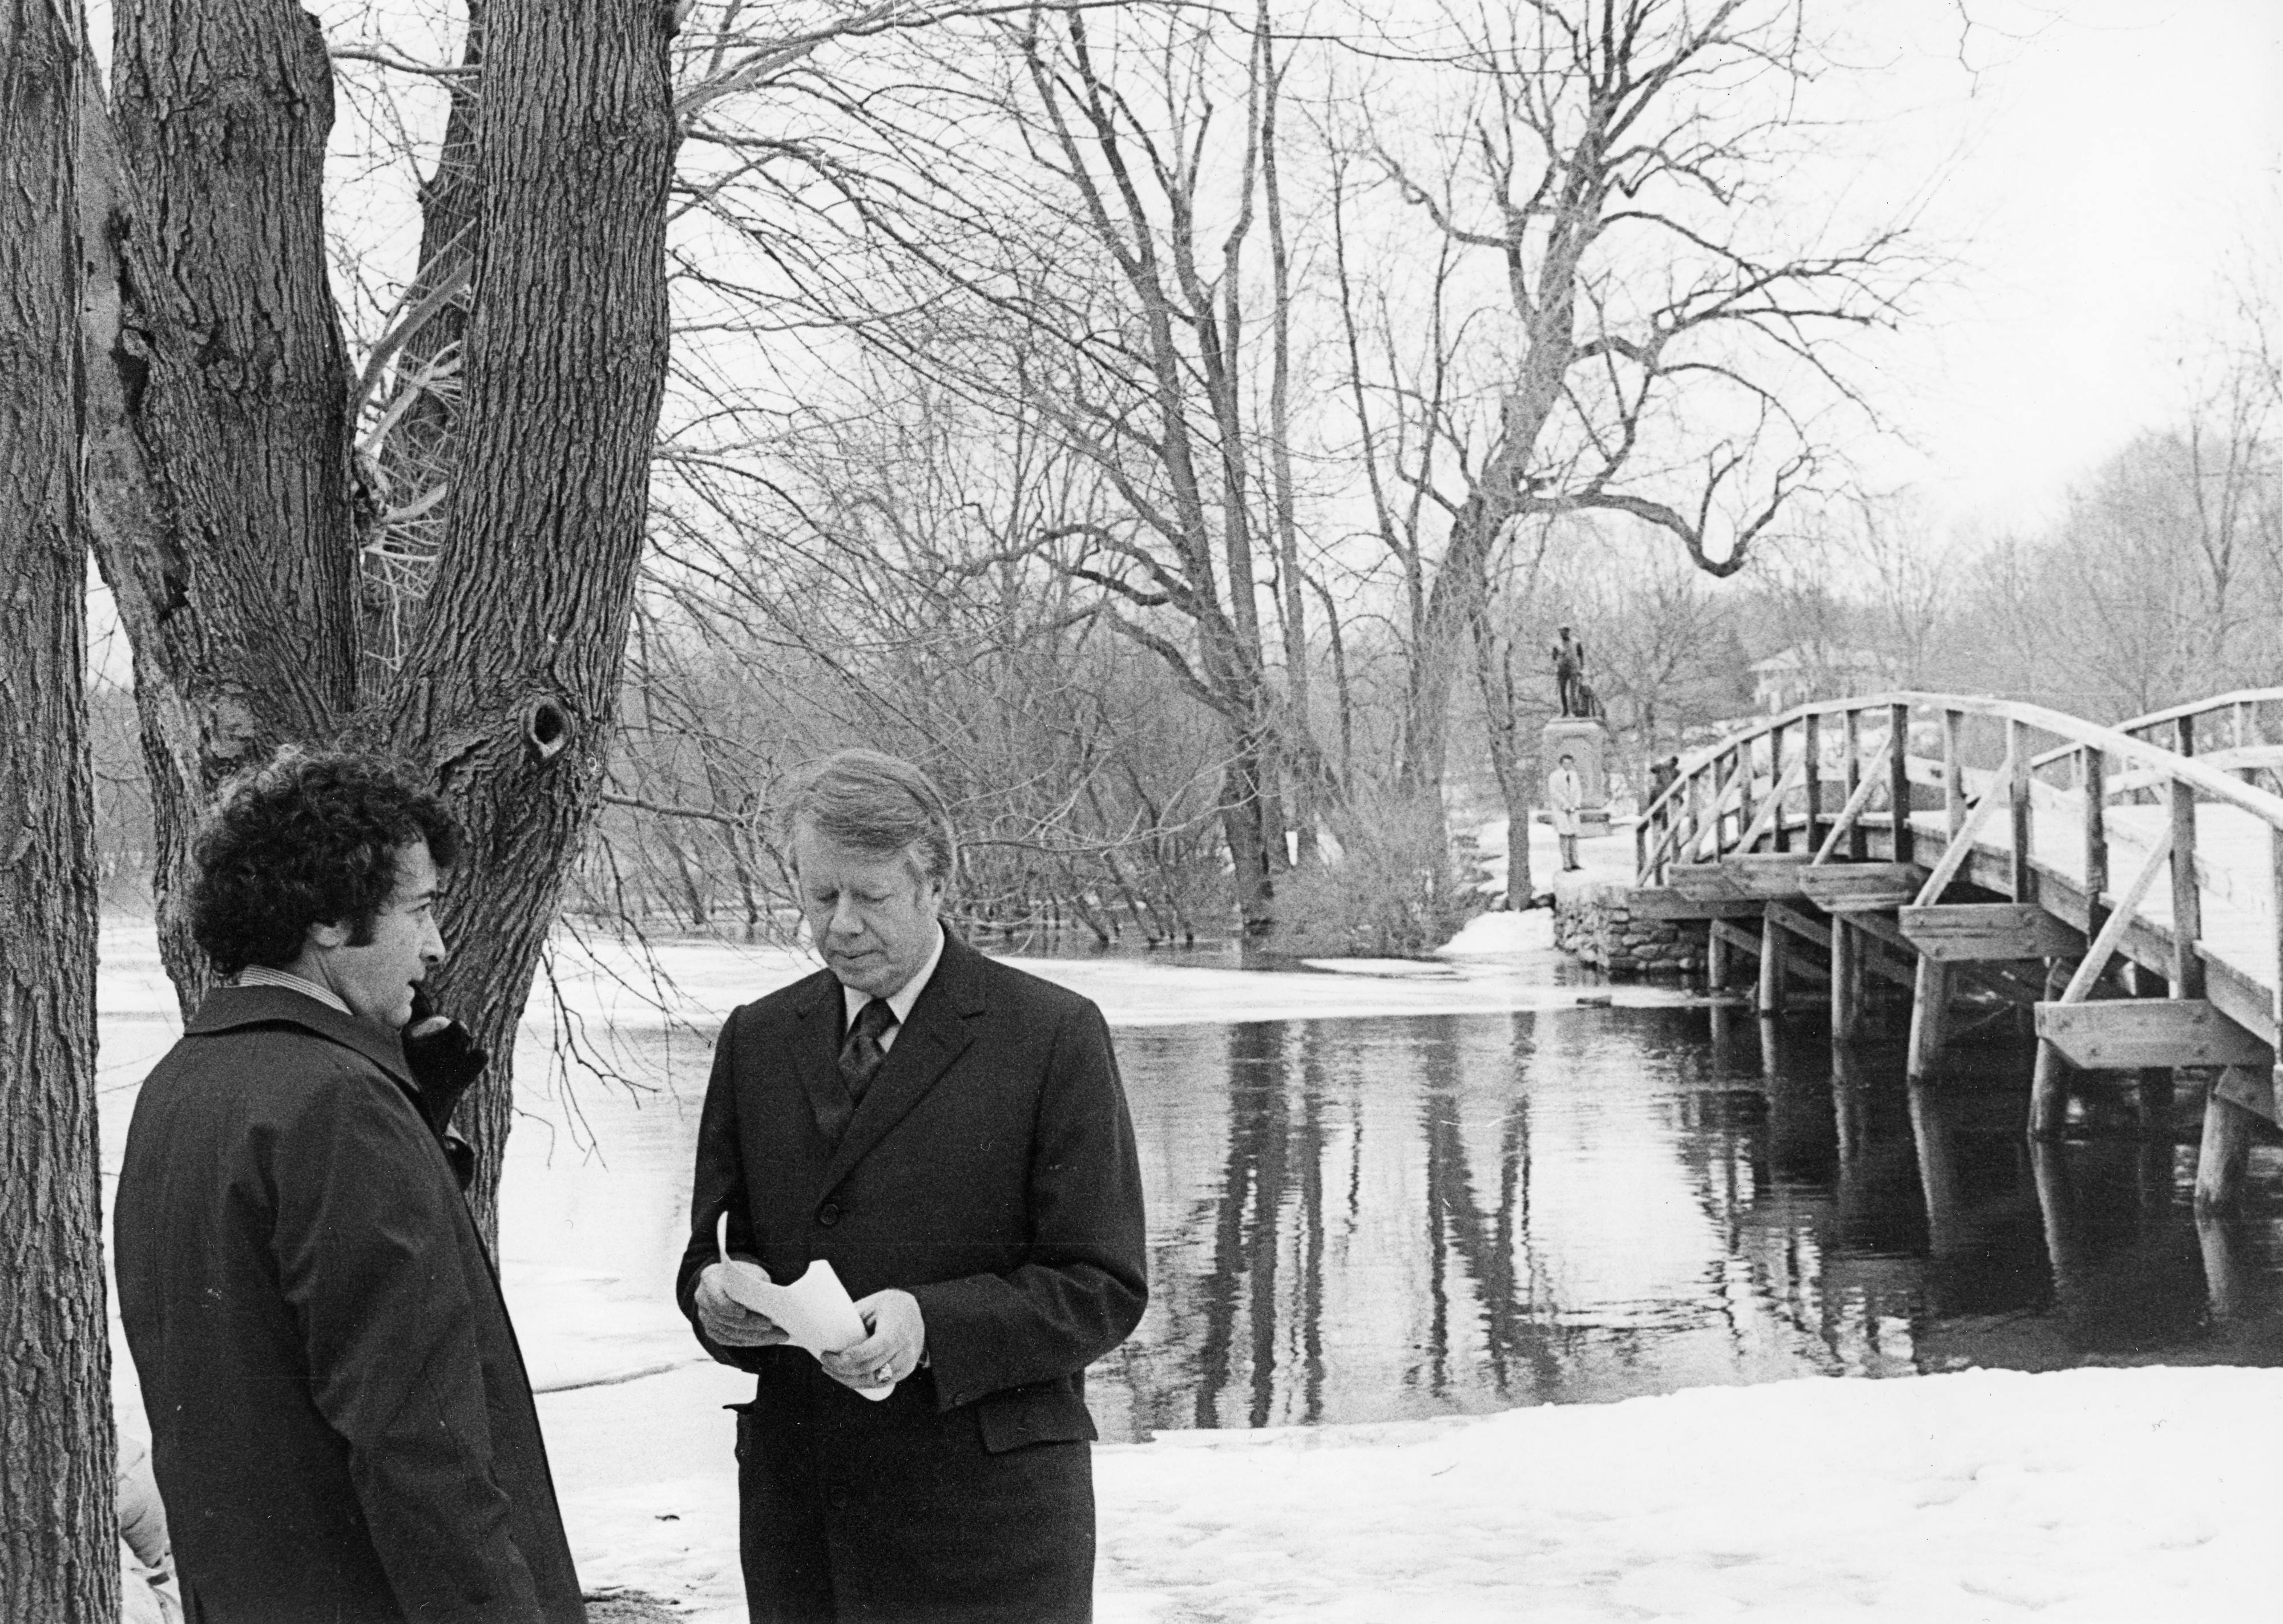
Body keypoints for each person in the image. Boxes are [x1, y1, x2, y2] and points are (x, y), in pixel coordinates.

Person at [113, 750, 585, 1624]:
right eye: (420, 910)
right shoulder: (339, 1105)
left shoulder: (183, 1083)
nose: (437, 945)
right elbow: (417, 1446)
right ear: (329, 916)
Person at [678, 749, 1148, 1624]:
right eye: (821, 897)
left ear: (935, 883)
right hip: (803, 1516)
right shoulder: (758, 1037)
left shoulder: (1052, 1035)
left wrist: (929, 1322)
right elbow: (710, 1246)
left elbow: (1103, 1285)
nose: (841, 924)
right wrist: (715, 1297)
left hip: (990, 1527)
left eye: (871, 897)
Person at [1549, 752, 1586, 872]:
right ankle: (1566, 864)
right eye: (1565, 763)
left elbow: (1578, 791)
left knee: (1573, 835)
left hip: (1573, 809)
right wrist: (1565, 805)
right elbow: (1554, 793)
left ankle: (1575, 862)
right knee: (1564, 835)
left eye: (1570, 763)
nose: (1568, 765)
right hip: (1561, 810)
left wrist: (1576, 805)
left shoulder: (1574, 775)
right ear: (1561, 764)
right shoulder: (1555, 776)